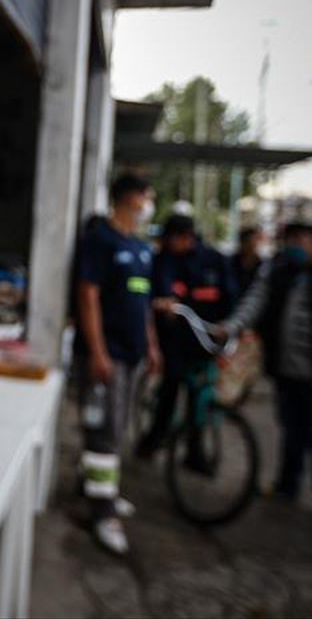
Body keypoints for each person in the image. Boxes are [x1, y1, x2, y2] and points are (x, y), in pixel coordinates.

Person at [215, 222, 312, 529]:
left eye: (304, 240)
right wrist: (230, 326)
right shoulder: (278, 272)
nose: (296, 245)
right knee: (292, 434)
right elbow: (254, 303)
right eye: (292, 239)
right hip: (288, 375)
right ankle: (287, 487)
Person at [74, 173, 161, 555]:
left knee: (118, 428)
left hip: (133, 355)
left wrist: (153, 347)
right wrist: (97, 352)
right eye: (147, 196)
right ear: (130, 198)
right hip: (106, 355)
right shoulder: (100, 240)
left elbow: (144, 305)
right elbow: (88, 298)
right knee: (104, 433)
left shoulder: (141, 248)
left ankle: (100, 486)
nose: (149, 202)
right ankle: (103, 512)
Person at [135, 214, 238, 465]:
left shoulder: (215, 260)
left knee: (199, 399)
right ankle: (154, 439)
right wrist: (165, 302)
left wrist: (230, 326)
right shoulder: (165, 260)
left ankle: (195, 452)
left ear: (186, 237)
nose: (170, 245)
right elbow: (158, 288)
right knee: (169, 390)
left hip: (205, 343)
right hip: (174, 341)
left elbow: (231, 296)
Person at [233, 226, 264, 292]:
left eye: (255, 242)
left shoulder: (262, 265)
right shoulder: (231, 262)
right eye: (248, 242)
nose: (252, 246)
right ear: (242, 243)